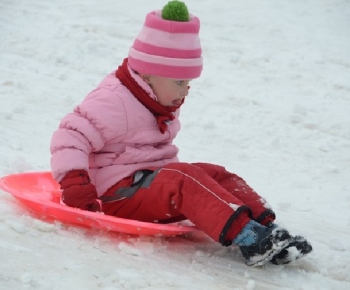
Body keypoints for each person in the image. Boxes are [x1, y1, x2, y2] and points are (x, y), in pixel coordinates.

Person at [50, 0, 312, 267]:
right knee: (183, 179)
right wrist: (76, 186)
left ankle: (266, 226)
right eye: (179, 81)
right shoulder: (113, 101)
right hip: (115, 196)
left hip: (148, 185)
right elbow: (70, 137)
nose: (186, 89)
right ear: (148, 74)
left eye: (188, 82)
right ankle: (249, 238)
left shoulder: (157, 99)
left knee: (213, 173)